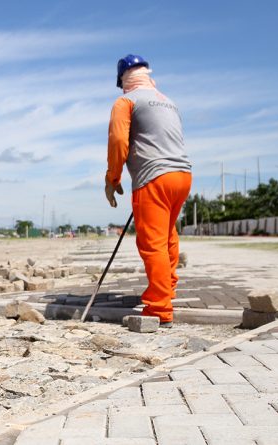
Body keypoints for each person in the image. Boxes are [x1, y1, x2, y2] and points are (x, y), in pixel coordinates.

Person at [104, 55, 192, 327]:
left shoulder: (125, 101)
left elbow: (119, 140)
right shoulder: (168, 101)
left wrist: (113, 178)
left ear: (122, 82)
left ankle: (159, 308)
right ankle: (168, 287)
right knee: (168, 236)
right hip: (183, 176)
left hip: (153, 178)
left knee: (152, 243)